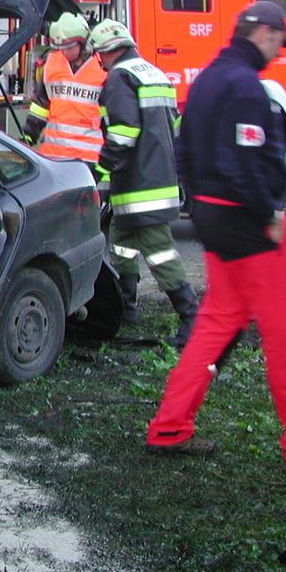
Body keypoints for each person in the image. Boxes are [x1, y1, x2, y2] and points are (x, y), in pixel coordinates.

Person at [145, 1, 286, 470]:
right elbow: (245, 162)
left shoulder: (208, 80)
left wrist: (202, 208)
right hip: (249, 225)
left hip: (213, 218)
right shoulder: (248, 89)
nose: (279, 51)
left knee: (216, 327)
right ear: (262, 33)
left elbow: (184, 151)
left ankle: (170, 426)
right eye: (279, 41)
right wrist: (268, 215)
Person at [87, 19, 197, 342]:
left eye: (99, 56)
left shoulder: (120, 79)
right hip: (157, 180)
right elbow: (172, 129)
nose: (100, 64)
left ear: (107, 52)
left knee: (158, 250)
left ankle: (191, 317)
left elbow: (123, 133)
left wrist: (100, 173)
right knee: (121, 241)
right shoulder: (155, 74)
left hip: (139, 183)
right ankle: (127, 306)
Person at [23, 12, 104, 166]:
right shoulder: (52, 62)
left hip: (89, 159)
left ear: (84, 43)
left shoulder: (101, 67)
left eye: (69, 47)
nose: (65, 52)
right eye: (61, 48)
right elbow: (41, 106)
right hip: (53, 156)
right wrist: (28, 136)